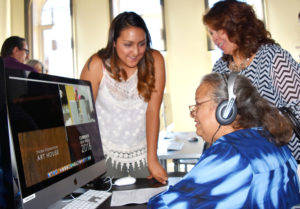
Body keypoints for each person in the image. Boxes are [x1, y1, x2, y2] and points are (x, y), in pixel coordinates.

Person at [148, 72, 300, 208]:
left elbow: (164, 206)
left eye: (198, 104)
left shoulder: (230, 155)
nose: (192, 113)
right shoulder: (271, 140)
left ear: (225, 110)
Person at [202, 0, 300, 162]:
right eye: (211, 33)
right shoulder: (220, 68)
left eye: (219, 31)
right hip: (245, 158)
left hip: (284, 157)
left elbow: (297, 108)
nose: (215, 39)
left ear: (239, 26)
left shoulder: (273, 58)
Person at [80, 12, 167, 184]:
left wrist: (152, 159)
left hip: (142, 155)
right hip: (103, 157)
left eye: (142, 44)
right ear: (114, 42)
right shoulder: (96, 64)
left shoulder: (155, 59)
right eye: (128, 44)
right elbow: (82, 119)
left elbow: (152, 111)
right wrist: (89, 161)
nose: (136, 51)